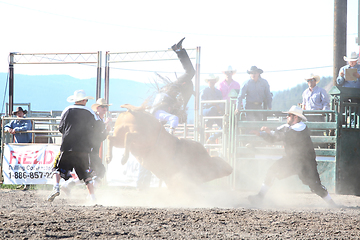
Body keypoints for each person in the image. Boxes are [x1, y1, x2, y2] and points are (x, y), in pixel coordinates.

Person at [248, 105, 337, 207]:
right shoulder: (288, 128)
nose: (287, 117)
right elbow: (275, 138)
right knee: (272, 170)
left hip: (305, 163)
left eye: (289, 115)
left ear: (296, 117)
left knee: (315, 186)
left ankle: (332, 204)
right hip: (291, 159)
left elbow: (285, 136)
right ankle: (259, 197)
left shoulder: (301, 128)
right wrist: (261, 134)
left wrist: (269, 132)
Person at [47, 90, 99, 202]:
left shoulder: (67, 110)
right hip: (83, 148)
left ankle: (56, 186)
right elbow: (97, 128)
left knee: (58, 168)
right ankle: (92, 196)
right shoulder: (90, 111)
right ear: (84, 100)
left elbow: (61, 128)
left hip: (68, 145)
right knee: (85, 172)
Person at [60, 98, 111, 194]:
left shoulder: (99, 119)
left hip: (92, 149)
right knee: (97, 171)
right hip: (89, 149)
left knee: (92, 172)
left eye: (106, 107)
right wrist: (105, 126)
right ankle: (89, 192)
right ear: (97, 108)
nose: (105, 109)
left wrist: (106, 130)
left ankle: (69, 185)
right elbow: (94, 135)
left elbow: (100, 137)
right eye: (103, 107)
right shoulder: (95, 118)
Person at [150, 37, 195, 135]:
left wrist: (171, 132)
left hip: (173, 88)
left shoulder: (159, 114)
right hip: (173, 89)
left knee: (190, 72)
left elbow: (174, 118)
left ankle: (178, 50)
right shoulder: (161, 110)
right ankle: (179, 49)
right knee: (190, 80)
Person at [4, 106, 33, 191]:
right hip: (17, 146)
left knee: (26, 165)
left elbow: (26, 128)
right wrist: (9, 129)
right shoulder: (14, 121)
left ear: (23, 113)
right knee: (19, 165)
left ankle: (27, 183)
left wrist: (15, 129)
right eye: (17, 113)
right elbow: (6, 126)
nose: (19, 114)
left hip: (26, 145)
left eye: (20, 113)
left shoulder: (26, 120)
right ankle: (22, 182)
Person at [200, 74, 224, 143]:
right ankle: (209, 125)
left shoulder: (218, 92)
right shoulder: (204, 91)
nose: (212, 82)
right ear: (208, 82)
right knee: (213, 109)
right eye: (210, 81)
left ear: (215, 82)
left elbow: (221, 103)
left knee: (224, 126)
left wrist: (219, 108)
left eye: (213, 81)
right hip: (206, 111)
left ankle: (211, 138)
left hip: (215, 112)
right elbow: (203, 102)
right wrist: (214, 105)